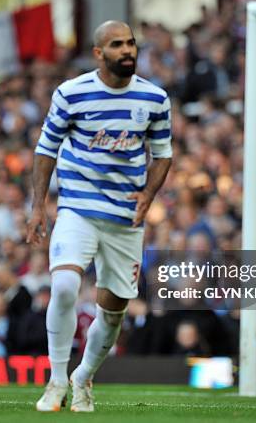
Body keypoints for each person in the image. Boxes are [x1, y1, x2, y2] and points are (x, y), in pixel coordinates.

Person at [27, 20, 172, 412]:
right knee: (63, 288)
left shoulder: (155, 98)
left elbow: (163, 154)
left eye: (130, 43)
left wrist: (148, 194)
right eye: (117, 44)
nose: (127, 50)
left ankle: (84, 376)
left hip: (125, 220)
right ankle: (57, 380)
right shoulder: (71, 94)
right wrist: (39, 205)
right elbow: (46, 150)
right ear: (99, 53)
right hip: (77, 209)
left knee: (113, 310)